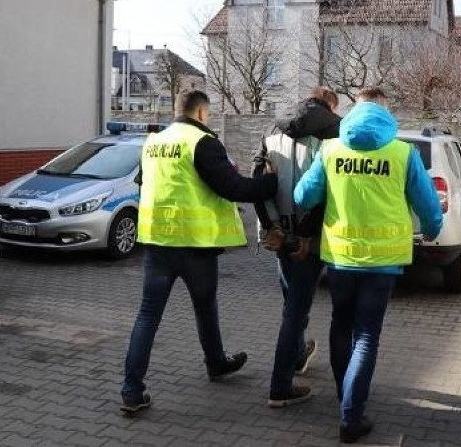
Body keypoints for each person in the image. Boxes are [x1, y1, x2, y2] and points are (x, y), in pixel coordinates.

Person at [294, 91, 442, 443]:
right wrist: (432, 231)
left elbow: (303, 196)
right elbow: (428, 206)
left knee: (340, 325)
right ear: (384, 113)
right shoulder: (403, 153)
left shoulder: (331, 150)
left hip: (341, 259)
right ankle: (351, 415)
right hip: (383, 263)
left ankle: (346, 394)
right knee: (366, 336)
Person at [120, 90, 278, 414]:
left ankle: (131, 391)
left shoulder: (153, 143)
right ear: (203, 113)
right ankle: (216, 363)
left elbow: (144, 184)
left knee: (148, 315)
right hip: (195, 246)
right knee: (205, 308)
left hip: (157, 242)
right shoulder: (201, 142)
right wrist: (272, 184)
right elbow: (233, 187)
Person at [253, 87, 341, 408]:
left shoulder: (272, 128)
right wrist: (303, 234)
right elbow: (327, 189)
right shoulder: (335, 130)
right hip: (310, 239)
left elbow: (258, 181)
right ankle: (280, 386)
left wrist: (274, 226)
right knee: (295, 310)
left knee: (292, 299)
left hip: (278, 234)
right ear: (329, 105)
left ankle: (298, 356)